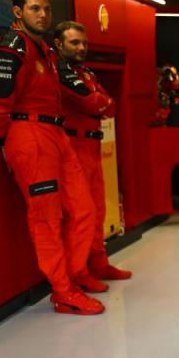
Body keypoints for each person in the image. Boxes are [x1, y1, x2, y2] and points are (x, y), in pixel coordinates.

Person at [0, 0, 104, 316]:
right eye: (35, 8)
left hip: (56, 133)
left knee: (83, 209)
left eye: (47, 9)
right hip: (30, 134)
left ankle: (77, 274)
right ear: (18, 12)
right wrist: (8, 139)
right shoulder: (11, 49)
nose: (43, 14)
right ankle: (63, 291)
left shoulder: (46, 52)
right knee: (46, 219)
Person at [53, 21, 132, 281]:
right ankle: (78, 272)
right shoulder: (57, 70)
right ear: (59, 44)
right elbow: (90, 101)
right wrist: (99, 102)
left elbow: (109, 106)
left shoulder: (86, 73)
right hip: (71, 147)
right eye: (74, 42)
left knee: (98, 210)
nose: (81, 47)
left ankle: (98, 263)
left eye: (84, 43)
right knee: (79, 213)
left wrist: (100, 102)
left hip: (92, 146)